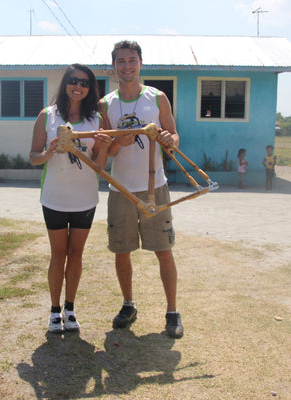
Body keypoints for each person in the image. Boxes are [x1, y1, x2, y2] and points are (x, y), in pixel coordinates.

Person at [98, 40, 183, 339]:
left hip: (154, 187)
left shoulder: (157, 98)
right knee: (122, 251)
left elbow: (173, 135)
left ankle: (172, 311)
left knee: (163, 250)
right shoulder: (106, 104)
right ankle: (128, 305)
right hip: (121, 189)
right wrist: (116, 142)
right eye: (121, 61)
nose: (126, 66)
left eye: (132, 60)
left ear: (140, 63)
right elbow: (105, 153)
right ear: (114, 66)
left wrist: (169, 140)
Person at [29, 64, 111, 334]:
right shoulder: (47, 116)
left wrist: (106, 145)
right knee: (58, 254)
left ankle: (70, 308)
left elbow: (100, 165)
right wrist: (49, 152)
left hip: (84, 199)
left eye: (85, 83)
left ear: (90, 88)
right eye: (73, 81)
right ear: (65, 84)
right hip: (54, 197)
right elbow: (33, 157)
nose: (78, 86)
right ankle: (54, 311)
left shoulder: (96, 121)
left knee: (76, 254)